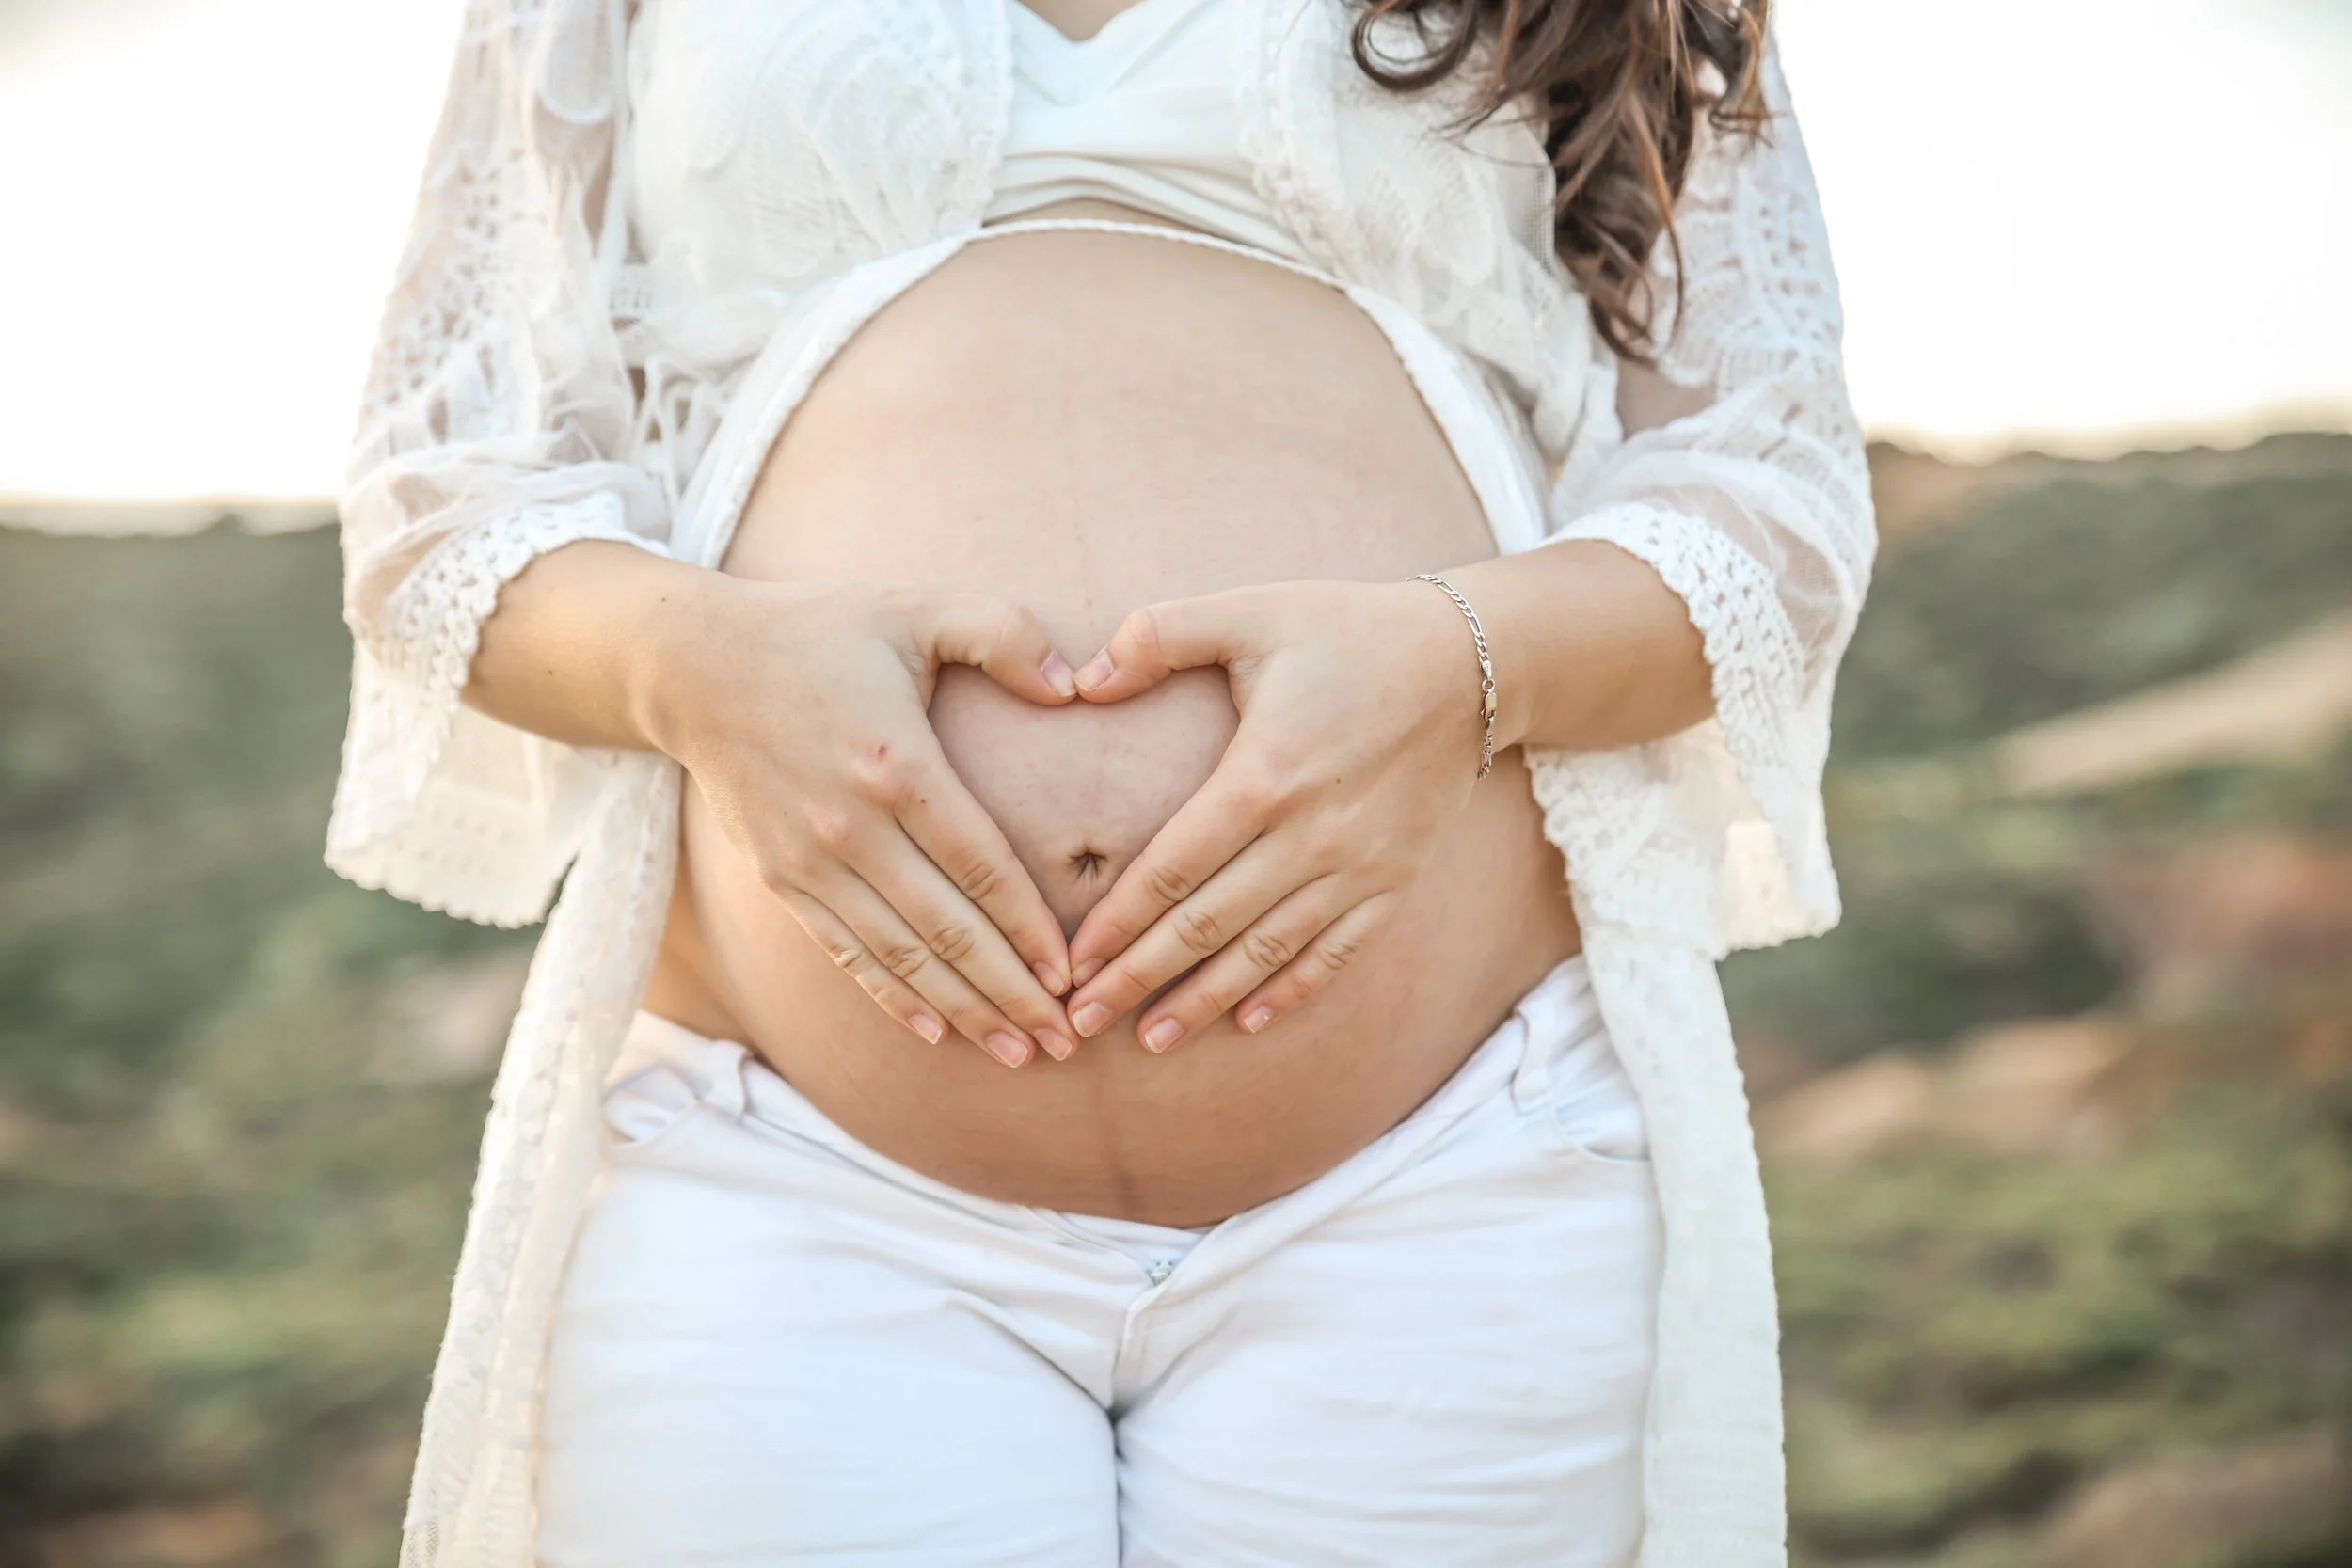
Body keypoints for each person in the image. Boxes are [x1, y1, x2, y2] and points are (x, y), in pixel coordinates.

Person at [330, 0, 1874, 1562]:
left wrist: (1458, 664)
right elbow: (441, 497)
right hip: (793, 1187)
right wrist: (694, 663)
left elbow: (1775, 486)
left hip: (1451, 1176)